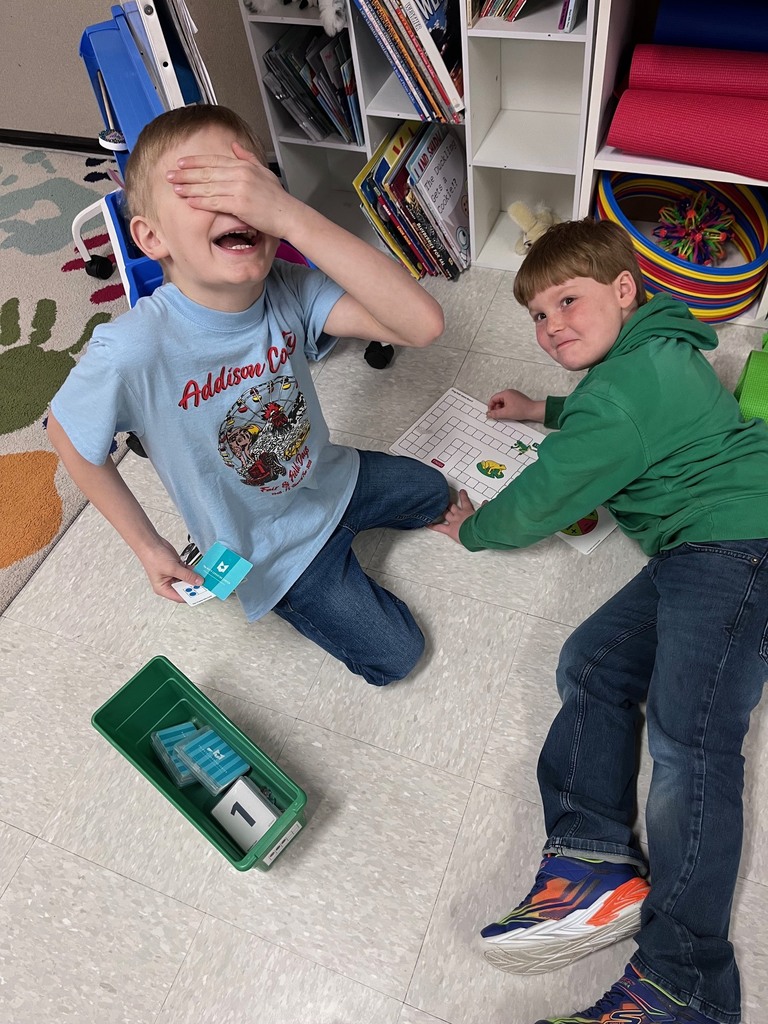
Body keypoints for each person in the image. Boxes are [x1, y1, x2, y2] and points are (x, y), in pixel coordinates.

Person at [430, 218, 768, 1024]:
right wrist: (546, 407)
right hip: (707, 544)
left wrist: (474, 528)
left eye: (568, 302)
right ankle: (593, 859)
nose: (552, 328)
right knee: (592, 663)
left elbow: (547, 496)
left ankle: (685, 983)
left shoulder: (616, 398)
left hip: (738, 543)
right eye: (538, 317)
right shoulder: (658, 348)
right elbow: (620, 416)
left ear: (625, 290)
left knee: (692, 743)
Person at [48, 104, 449, 687]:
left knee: (436, 490)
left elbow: (422, 325)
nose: (237, 204)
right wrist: (147, 545)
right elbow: (66, 434)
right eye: (203, 189)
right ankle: (301, 589)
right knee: (397, 655)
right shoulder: (134, 348)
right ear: (151, 236)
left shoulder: (288, 287)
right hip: (264, 547)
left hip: (330, 479)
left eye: (248, 185)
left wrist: (294, 218)